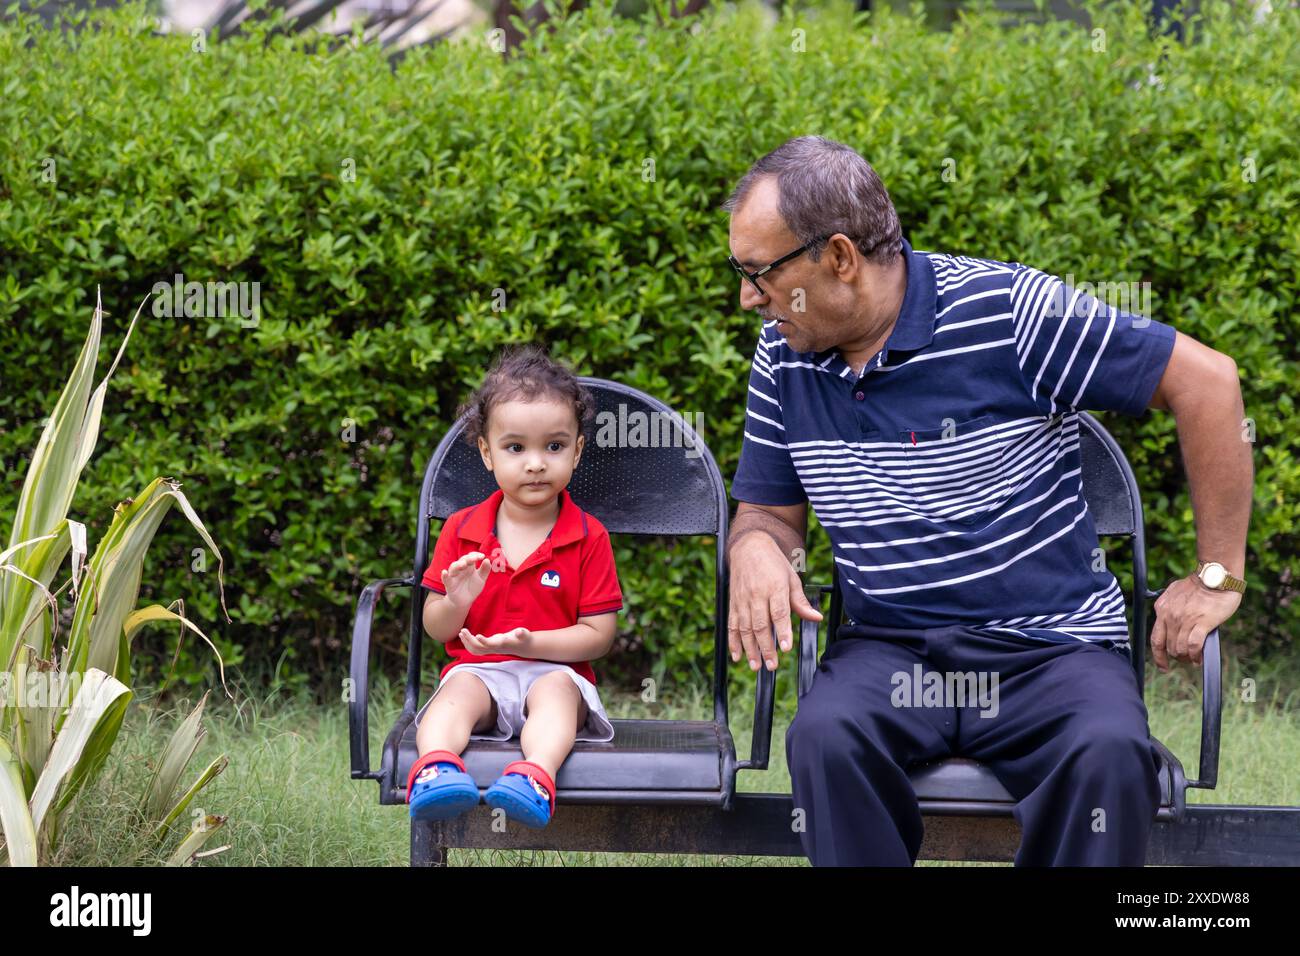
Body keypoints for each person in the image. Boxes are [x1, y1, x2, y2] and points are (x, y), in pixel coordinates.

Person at [723, 136, 1252, 865]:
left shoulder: (1010, 312)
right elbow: (767, 515)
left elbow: (1209, 384)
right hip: (891, 650)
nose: (748, 297)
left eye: (760, 274)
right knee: (824, 737)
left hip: (1052, 652)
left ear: (839, 257)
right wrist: (754, 545)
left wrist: (1217, 573)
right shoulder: (782, 353)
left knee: (1108, 753)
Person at [406, 345, 623, 829]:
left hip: (556, 670)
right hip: (479, 669)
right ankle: (437, 767)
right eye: (515, 447)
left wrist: (534, 643)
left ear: (578, 450)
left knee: (555, 696)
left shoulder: (588, 536)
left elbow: (598, 635)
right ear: (486, 452)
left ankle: (534, 777)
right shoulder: (462, 529)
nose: (535, 464)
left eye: (554, 446)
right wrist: (457, 600)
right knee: (455, 695)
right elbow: (435, 625)